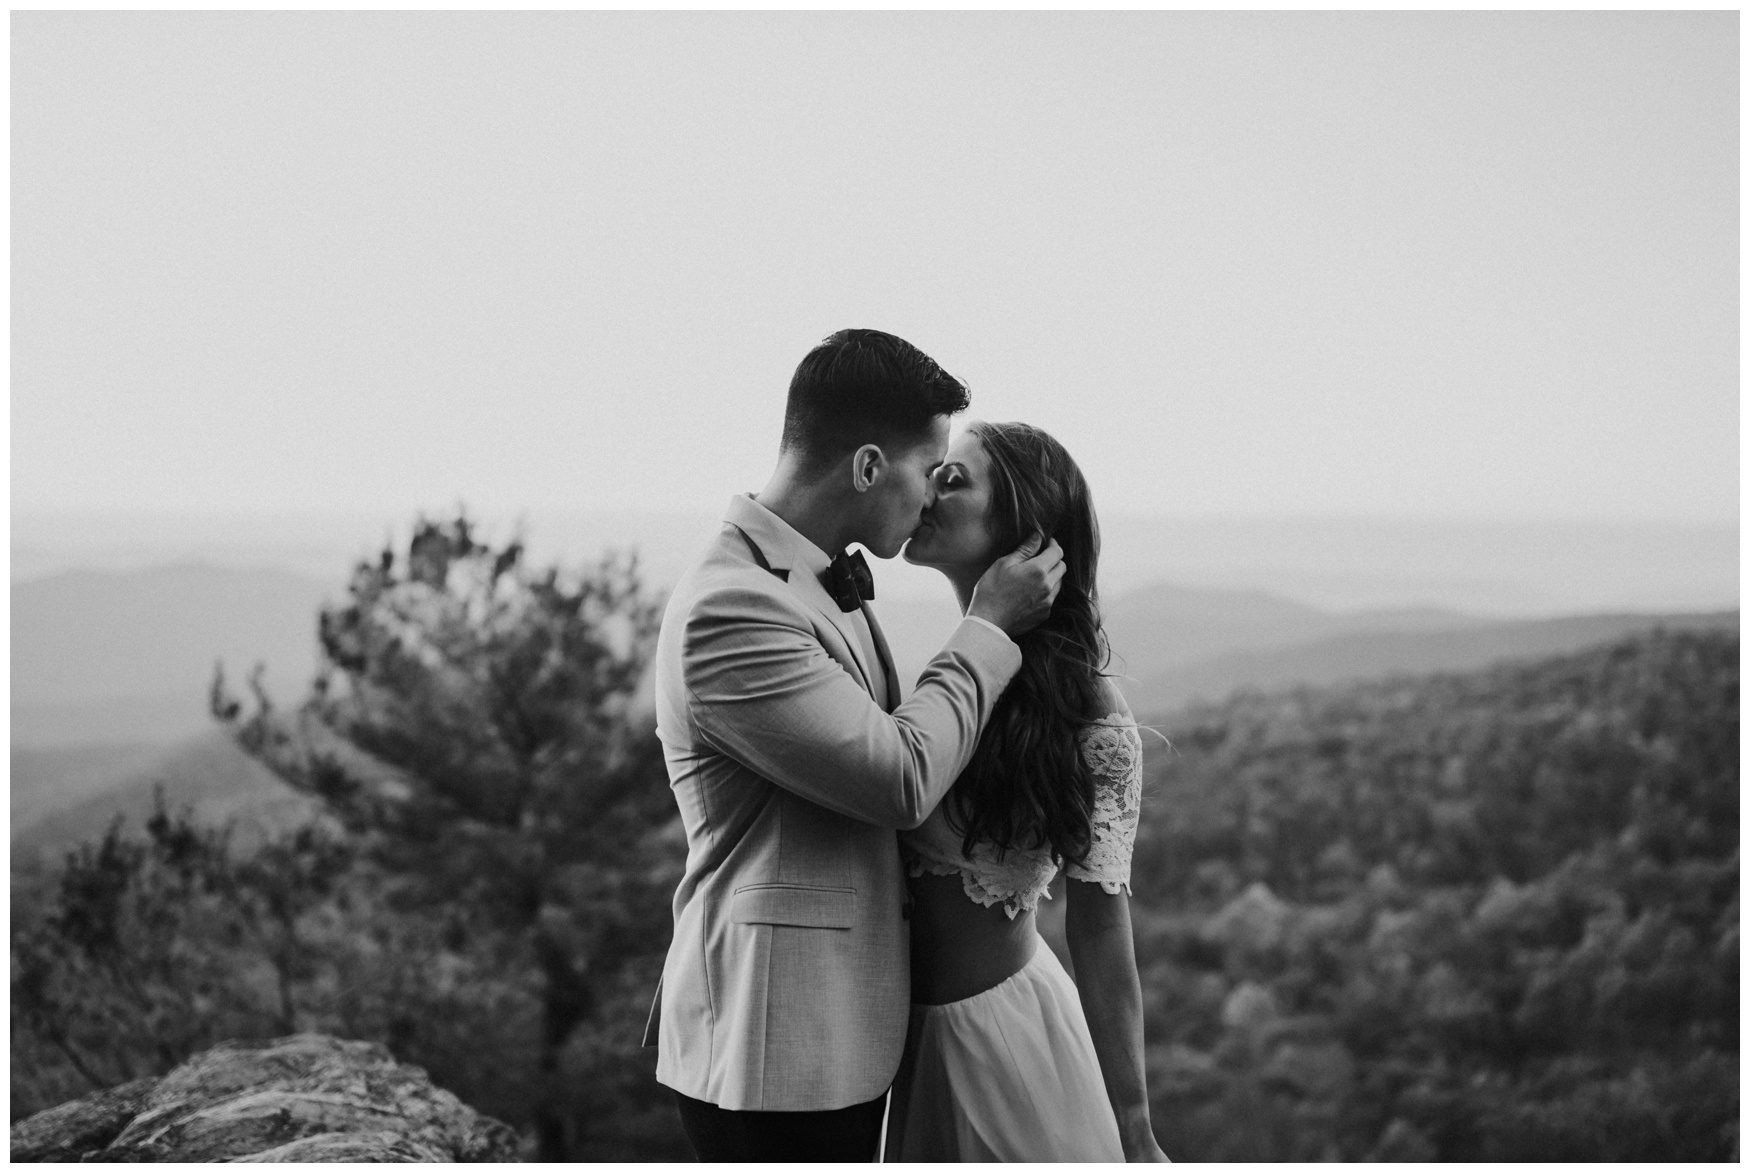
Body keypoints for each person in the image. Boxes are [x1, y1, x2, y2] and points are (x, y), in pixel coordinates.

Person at [644, 329, 1066, 1162]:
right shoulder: (731, 608)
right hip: (772, 1043)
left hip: (835, 1025)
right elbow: (900, 776)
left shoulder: (812, 575)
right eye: (927, 467)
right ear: (870, 466)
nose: (931, 495)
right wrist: (988, 624)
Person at [886, 420, 1171, 1162]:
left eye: (955, 480)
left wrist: (1135, 1123)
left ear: (1022, 531)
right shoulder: (949, 672)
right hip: (903, 1050)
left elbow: (1102, 928)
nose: (929, 488)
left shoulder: (1090, 716)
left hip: (1007, 1049)